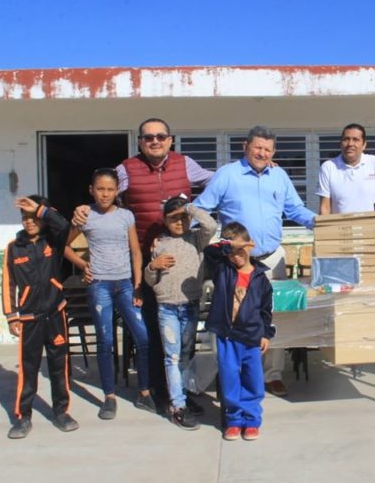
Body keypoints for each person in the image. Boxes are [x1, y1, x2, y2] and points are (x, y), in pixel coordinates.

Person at [73, 118, 213, 409]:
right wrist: (83, 208)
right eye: (148, 137)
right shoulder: (127, 169)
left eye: (161, 136)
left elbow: (217, 181)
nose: (155, 141)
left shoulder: (186, 164)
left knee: (184, 336)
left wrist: (252, 171)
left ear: (170, 139)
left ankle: (184, 392)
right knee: (153, 330)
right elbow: (105, 191)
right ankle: (160, 393)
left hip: (182, 260)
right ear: (140, 141)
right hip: (148, 263)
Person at [193, 125, 316, 397]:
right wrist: (178, 231)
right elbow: (201, 208)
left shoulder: (279, 176)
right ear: (245, 147)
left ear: (273, 152)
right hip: (236, 263)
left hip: (272, 259)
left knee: (273, 316)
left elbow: (294, 209)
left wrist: (320, 224)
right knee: (233, 319)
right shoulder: (228, 175)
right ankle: (231, 372)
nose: (262, 153)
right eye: (258, 147)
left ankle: (272, 375)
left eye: (267, 149)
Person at [64, 168, 156, 420]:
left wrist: (138, 284)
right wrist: (83, 265)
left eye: (110, 189)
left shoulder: (126, 215)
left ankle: (145, 392)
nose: (105, 194)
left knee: (143, 337)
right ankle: (109, 396)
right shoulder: (85, 216)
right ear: (91, 190)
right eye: (100, 189)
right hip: (100, 286)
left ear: (117, 191)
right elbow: (64, 246)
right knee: (105, 342)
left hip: (125, 284)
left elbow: (136, 252)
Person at [2, 195, 79, 439]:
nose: (29, 221)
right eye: (25, 218)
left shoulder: (53, 241)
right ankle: (23, 417)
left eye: (33, 217)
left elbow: (64, 226)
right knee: (29, 369)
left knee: (59, 368)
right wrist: (11, 316)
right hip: (29, 320)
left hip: (55, 314)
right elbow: (7, 283)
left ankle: (61, 413)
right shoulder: (14, 247)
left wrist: (41, 209)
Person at [144, 195, 217, 429]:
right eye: (173, 219)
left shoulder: (197, 238)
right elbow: (151, 280)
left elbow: (211, 225)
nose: (179, 223)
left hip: (190, 305)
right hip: (167, 308)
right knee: (172, 356)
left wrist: (190, 208)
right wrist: (152, 267)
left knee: (186, 354)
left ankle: (183, 397)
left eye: (183, 218)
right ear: (164, 221)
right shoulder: (160, 244)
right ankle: (177, 405)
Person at [204, 222, 274, 441]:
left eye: (240, 251)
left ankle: (251, 419)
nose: (235, 256)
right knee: (229, 377)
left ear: (250, 247)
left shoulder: (261, 279)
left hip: (252, 337)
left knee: (252, 379)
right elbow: (209, 251)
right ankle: (233, 419)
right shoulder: (223, 270)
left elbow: (265, 310)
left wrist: (265, 334)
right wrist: (230, 244)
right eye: (231, 252)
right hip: (227, 336)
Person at [318, 123, 375, 214]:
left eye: (355, 140)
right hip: (340, 227)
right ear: (340, 144)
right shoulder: (328, 167)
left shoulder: (374, 162)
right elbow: (325, 207)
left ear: (364, 145)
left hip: (372, 226)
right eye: (346, 139)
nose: (350, 144)